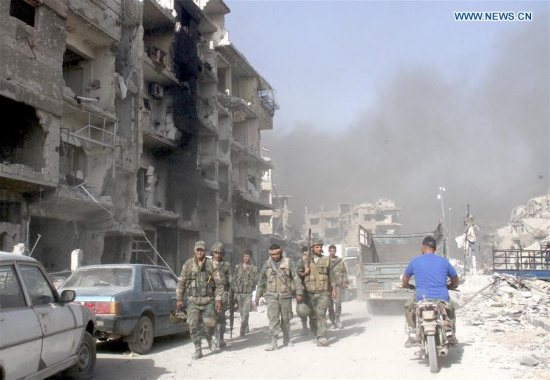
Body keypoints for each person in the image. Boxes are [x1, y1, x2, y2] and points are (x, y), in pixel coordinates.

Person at [402, 236, 459, 348]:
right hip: (442, 298)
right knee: (451, 308)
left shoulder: (415, 261)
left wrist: (406, 285)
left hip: (421, 298)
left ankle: (413, 330)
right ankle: (450, 330)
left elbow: (405, 278)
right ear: (435, 248)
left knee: (408, 306)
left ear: (423, 247)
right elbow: (455, 279)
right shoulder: (444, 261)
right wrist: (452, 285)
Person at [176, 241, 223, 360]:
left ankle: (208, 337)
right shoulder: (188, 264)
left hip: (208, 300)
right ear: (194, 250)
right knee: (193, 324)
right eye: (198, 250)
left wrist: (218, 299)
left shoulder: (211, 264)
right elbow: (181, 282)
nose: (199, 252)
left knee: (210, 324)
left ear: (205, 250)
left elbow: (219, 284)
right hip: (193, 301)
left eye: (202, 250)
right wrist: (179, 299)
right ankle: (198, 349)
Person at [255, 244, 303, 351]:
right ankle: (273, 342)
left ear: (280, 252)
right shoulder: (267, 264)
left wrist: (299, 292)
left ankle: (286, 338)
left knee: (286, 319)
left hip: (285, 295)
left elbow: (295, 277)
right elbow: (261, 280)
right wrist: (258, 295)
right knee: (273, 319)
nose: (275, 256)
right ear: (269, 254)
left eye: (277, 254)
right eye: (272, 254)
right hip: (271, 296)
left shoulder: (288, 263)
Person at [296, 238, 337, 347]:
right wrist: (305, 273)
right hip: (309, 293)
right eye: (317, 247)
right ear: (312, 248)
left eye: (320, 247)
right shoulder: (304, 261)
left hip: (323, 292)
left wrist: (334, 289)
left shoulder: (326, 260)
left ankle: (322, 336)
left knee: (321, 314)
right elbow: (297, 276)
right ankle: (316, 333)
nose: (319, 249)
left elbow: (332, 276)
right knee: (313, 316)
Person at [232, 248, 259, 337]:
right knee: (241, 312)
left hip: (248, 293)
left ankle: (242, 329)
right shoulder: (238, 267)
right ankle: (245, 324)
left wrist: (249, 273)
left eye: (247, 257)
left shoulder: (253, 268)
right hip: (239, 293)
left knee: (246, 312)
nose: (246, 258)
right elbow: (233, 279)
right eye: (244, 256)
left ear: (250, 258)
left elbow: (257, 280)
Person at [211, 242, 232, 349]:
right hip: (210, 294)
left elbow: (230, 280)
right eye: (216, 253)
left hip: (222, 293)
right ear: (212, 253)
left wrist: (231, 294)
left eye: (220, 253)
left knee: (220, 317)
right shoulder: (208, 264)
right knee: (211, 316)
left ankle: (220, 338)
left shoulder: (226, 264)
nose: (218, 255)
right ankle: (214, 337)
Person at [297, 245, 316, 336]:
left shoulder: (313, 262)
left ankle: (313, 327)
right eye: (305, 254)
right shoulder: (300, 262)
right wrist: (305, 273)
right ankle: (304, 327)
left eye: (308, 254)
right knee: (302, 310)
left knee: (313, 310)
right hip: (302, 289)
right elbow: (297, 275)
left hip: (312, 289)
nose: (306, 256)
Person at [328, 244, 348, 329]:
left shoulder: (340, 261)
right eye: (331, 251)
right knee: (329, 304)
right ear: (329, 251)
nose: (333, 252)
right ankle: (332, 321)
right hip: (328, 285)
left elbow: (344, 272)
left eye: (334, 251)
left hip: (338, 284)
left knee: (338, 303)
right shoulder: (325, 260)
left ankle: (337, 319)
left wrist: (344, 281)